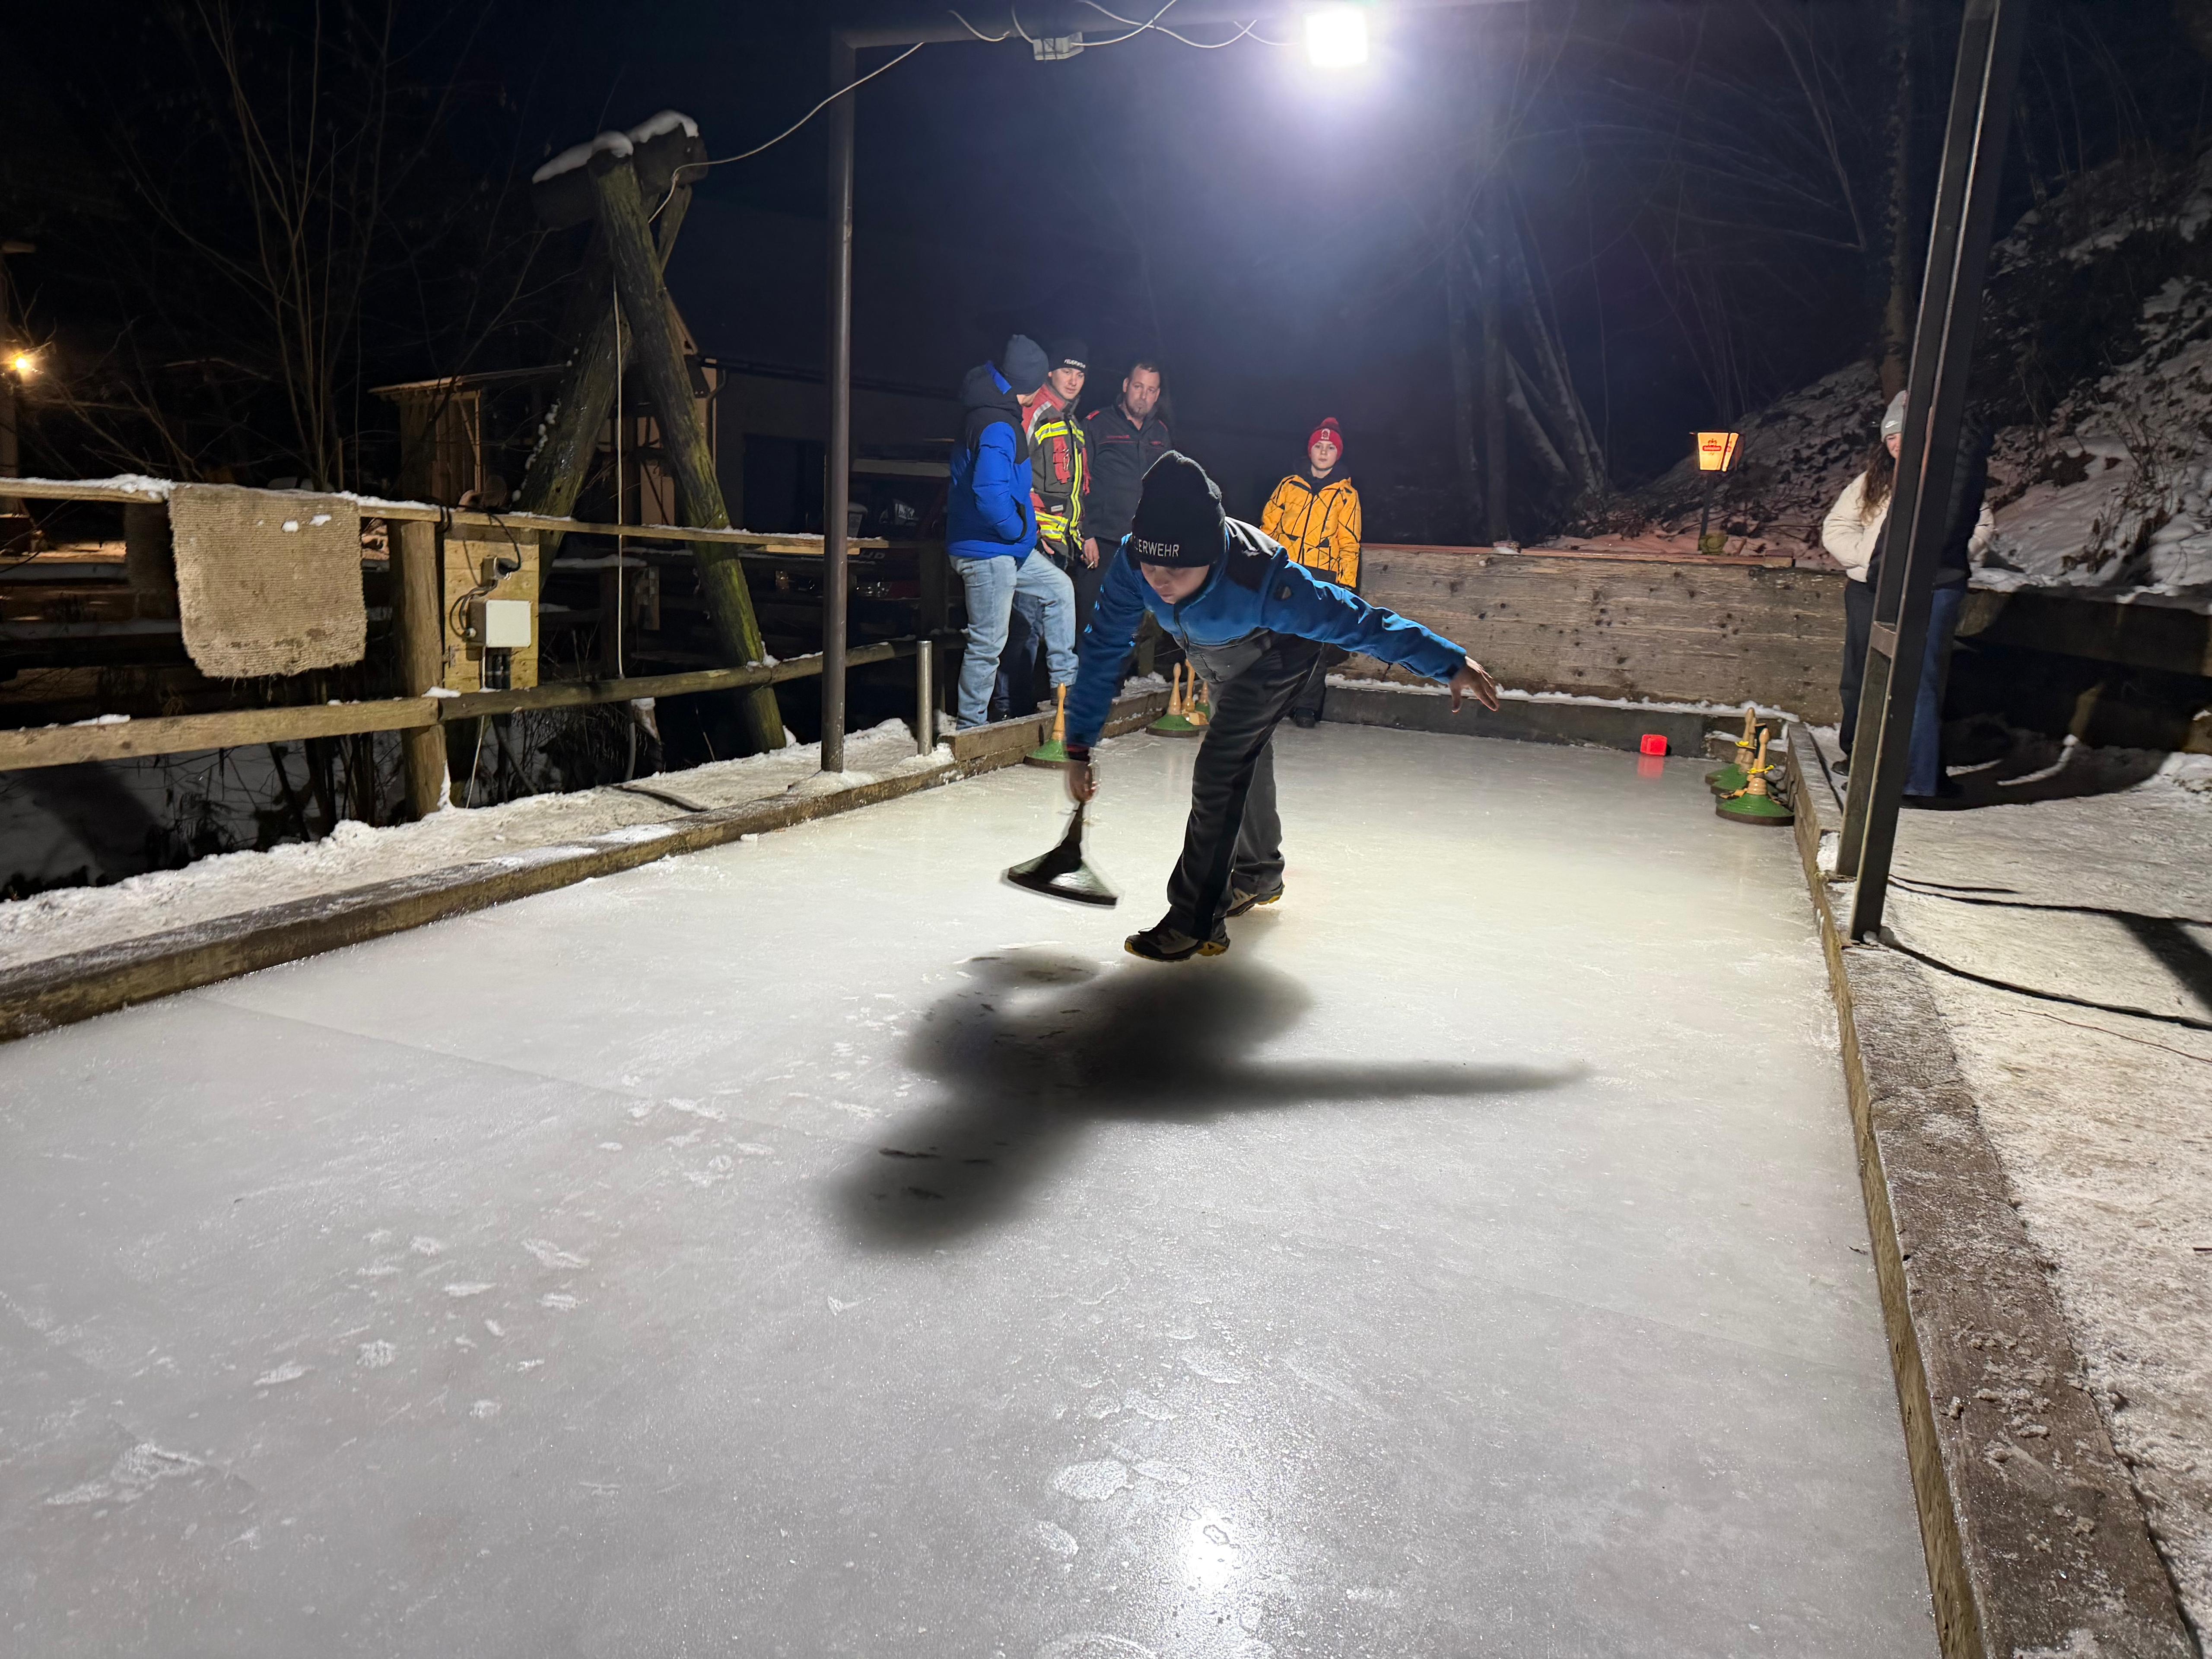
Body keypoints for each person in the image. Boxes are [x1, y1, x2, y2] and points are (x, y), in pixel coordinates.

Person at [1062, 452, 1500, 962]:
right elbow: (1103, 648)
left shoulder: (1263, 580)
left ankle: (1194, 920)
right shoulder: (1132, 564)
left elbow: (1360, 622)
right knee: (1242, 758)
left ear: (1210, 553)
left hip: (1278, 655)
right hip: (1218, 660)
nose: (1158, 581)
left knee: (1221, 766)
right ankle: (1259, 875)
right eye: (1151, 565)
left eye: (1177, 568)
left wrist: (1447, 662)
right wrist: (1079, 744)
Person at [1822, 389, 1993, 798]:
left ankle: (1914, 776)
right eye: (1891, 437)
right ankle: (1860, 754)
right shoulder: (1872, 482)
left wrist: (1942, 556)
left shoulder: (1945, 477)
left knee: (1915, 681)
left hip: (1923, 586)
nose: (1897, 443)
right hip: (1868, 586)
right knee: (1860, 675)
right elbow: (1837, 527)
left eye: (1904, 435)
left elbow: (1979, 526)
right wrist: (1867, 558)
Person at [949, 334, 1077, 731]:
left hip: (1005, 548)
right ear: (1030, 383)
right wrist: (1017, 528)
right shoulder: (997, 424)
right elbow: (990, 494)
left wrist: (1020, 535)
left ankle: (1065, 692)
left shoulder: (998, 412)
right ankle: (970, 729)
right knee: (988, 642)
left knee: (1060, 589)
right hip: (987, 549)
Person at [994, 338, 1092, 720]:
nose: (1073, 380)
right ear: (1050, 372)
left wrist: (1079, 533)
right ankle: (1007, 709)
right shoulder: (1034, 411)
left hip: (1060, 541)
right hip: (1034, 539)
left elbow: (1077, 489)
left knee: (1036, 626)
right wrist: (1031, 531)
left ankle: (1022, 706)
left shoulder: (1073, 424)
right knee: (1023, 628)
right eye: (1067, 371)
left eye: (1080, 373)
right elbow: (1016, 473)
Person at [1259, 416, 1363, 728]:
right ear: (1310, 450)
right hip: (1287, 570)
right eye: (1319, 446)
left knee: (1313, 643)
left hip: (1323, 576)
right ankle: (1272, 705)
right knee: (1276, 639)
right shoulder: (1288, 486)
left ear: (1338, 454)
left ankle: (1306, 706)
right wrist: (1263, 567)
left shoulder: (1346, 495)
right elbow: (1268, 529)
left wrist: (1346, 586)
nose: (1324, 452)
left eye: (1331, 448)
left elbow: (1350, 542)